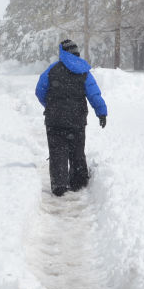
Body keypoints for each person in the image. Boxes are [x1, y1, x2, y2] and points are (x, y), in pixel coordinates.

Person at [34, 38, 108, 196]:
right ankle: (79, 182)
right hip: (77, 119)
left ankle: (59, 185)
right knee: (77, 151)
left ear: (62, 52)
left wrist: (50, 105)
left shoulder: (52, 69)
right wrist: (101, 112)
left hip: (54, 120)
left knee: (57, 153)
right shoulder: (84, 71)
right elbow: (94, 94)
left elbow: (40, 91)